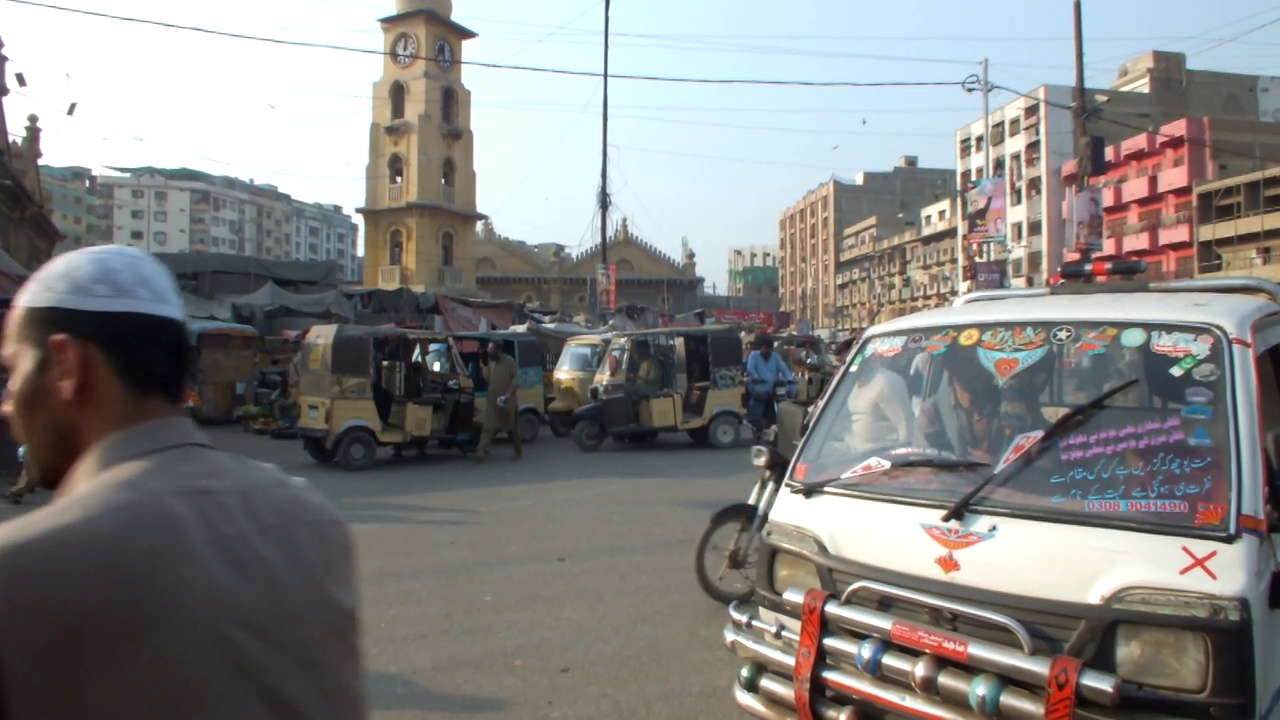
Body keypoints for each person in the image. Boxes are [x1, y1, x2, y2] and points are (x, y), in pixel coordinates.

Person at [0, 245, 365, 719]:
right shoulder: (313, 523)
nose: (9, 403)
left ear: (67, 365)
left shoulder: (23, 569)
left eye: (13, 372)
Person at [914, 350, 1001, 460]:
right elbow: (924, 468)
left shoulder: (1009, 405)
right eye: (967, 362)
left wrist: (996, 465)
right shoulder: (932, 412)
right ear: (950, 366)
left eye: (982, 361)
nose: (975, 369)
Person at [846, 351, 914, 453]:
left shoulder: (887, 381)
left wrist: (905, 459)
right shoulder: (853, 384)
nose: (850, 366)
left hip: (883, 453)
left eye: (854, 361)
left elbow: (905, 426)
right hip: (857, 454)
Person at [471, 340, 521, 462]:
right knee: (488, 426)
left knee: (512, 429)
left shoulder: (509, 361)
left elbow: (516, 380)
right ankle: (480, 451)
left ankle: (518, 451)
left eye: (491, 349)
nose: (489, 351)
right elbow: (487, 378)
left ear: (498, 350)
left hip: (507, 402)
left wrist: (508, 395)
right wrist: (483, 365)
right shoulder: (491, 363)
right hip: (493, 401)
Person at [745, 337, 795, 428]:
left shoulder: (775, 357)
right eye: (764, 348)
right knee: (756, 414)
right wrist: (756, 377)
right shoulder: (754, 355)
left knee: (774, 414)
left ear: (771, 349)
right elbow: (750, 368)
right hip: (758, 388)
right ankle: (755, 423)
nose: (766, 350)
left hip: (772, 389)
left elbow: (783, 368)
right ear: (760, 348)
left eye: (768, 348)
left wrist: (789, 379)